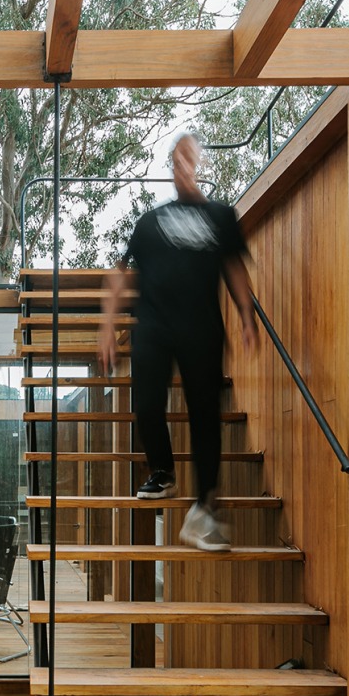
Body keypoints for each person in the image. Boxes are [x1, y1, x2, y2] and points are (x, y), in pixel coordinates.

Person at [98, 133, 258, 552]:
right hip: (153, 324)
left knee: (205, 414)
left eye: (192, 157)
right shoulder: (150, 222)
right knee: (147, 403)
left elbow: (234, 266)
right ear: (172, 164)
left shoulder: (222, 217)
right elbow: (119, 272)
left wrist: (246, 313)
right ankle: (163, 472)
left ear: (199, 163)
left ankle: (204, 508)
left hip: (202, 326)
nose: (185, 164)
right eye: (178, 158)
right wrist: (107, 326)